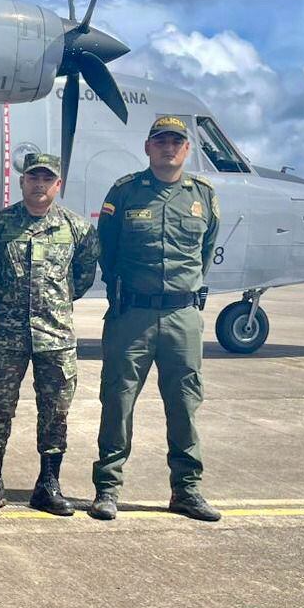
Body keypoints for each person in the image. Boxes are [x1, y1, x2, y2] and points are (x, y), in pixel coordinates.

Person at [90, 116, 222, 522]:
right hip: (133, 314)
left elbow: (205, 251)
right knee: (118, 400)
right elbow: (107, 252)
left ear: (187, 150)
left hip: (183, 316)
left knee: (184, 403)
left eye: (176, 143)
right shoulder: (126, 193)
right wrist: (128, 293)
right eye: (161, 141)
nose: (169, 148)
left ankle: (186, 490)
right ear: (147, 148)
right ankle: (108, 488)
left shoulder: (203, 196)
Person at [0, 153, 98, 517]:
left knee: (55, 413)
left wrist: (55, 303)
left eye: (47, 178)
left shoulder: (78, 229)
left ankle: (48, 485)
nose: (39, 184)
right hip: (6, 336)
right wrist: (4, 298)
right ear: (22, 182)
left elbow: (83, 277)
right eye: (33, 177)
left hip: (55, 338)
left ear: (58, 185)